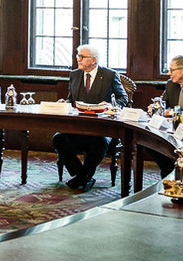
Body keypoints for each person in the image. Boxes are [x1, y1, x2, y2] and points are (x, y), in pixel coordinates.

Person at [52, 44, 129, 192]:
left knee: (100, 142)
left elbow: (123, 98)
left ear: (93, 60)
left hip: (102, 128)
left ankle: (81, 177)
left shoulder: (109, 75)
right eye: (77, 56)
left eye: (82, 57)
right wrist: (64, 103)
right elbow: (71, 100)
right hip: (78, 126)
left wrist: (111, 104)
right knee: (58, 138)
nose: (78, 59)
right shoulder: (74, 75)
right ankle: (83, 176)